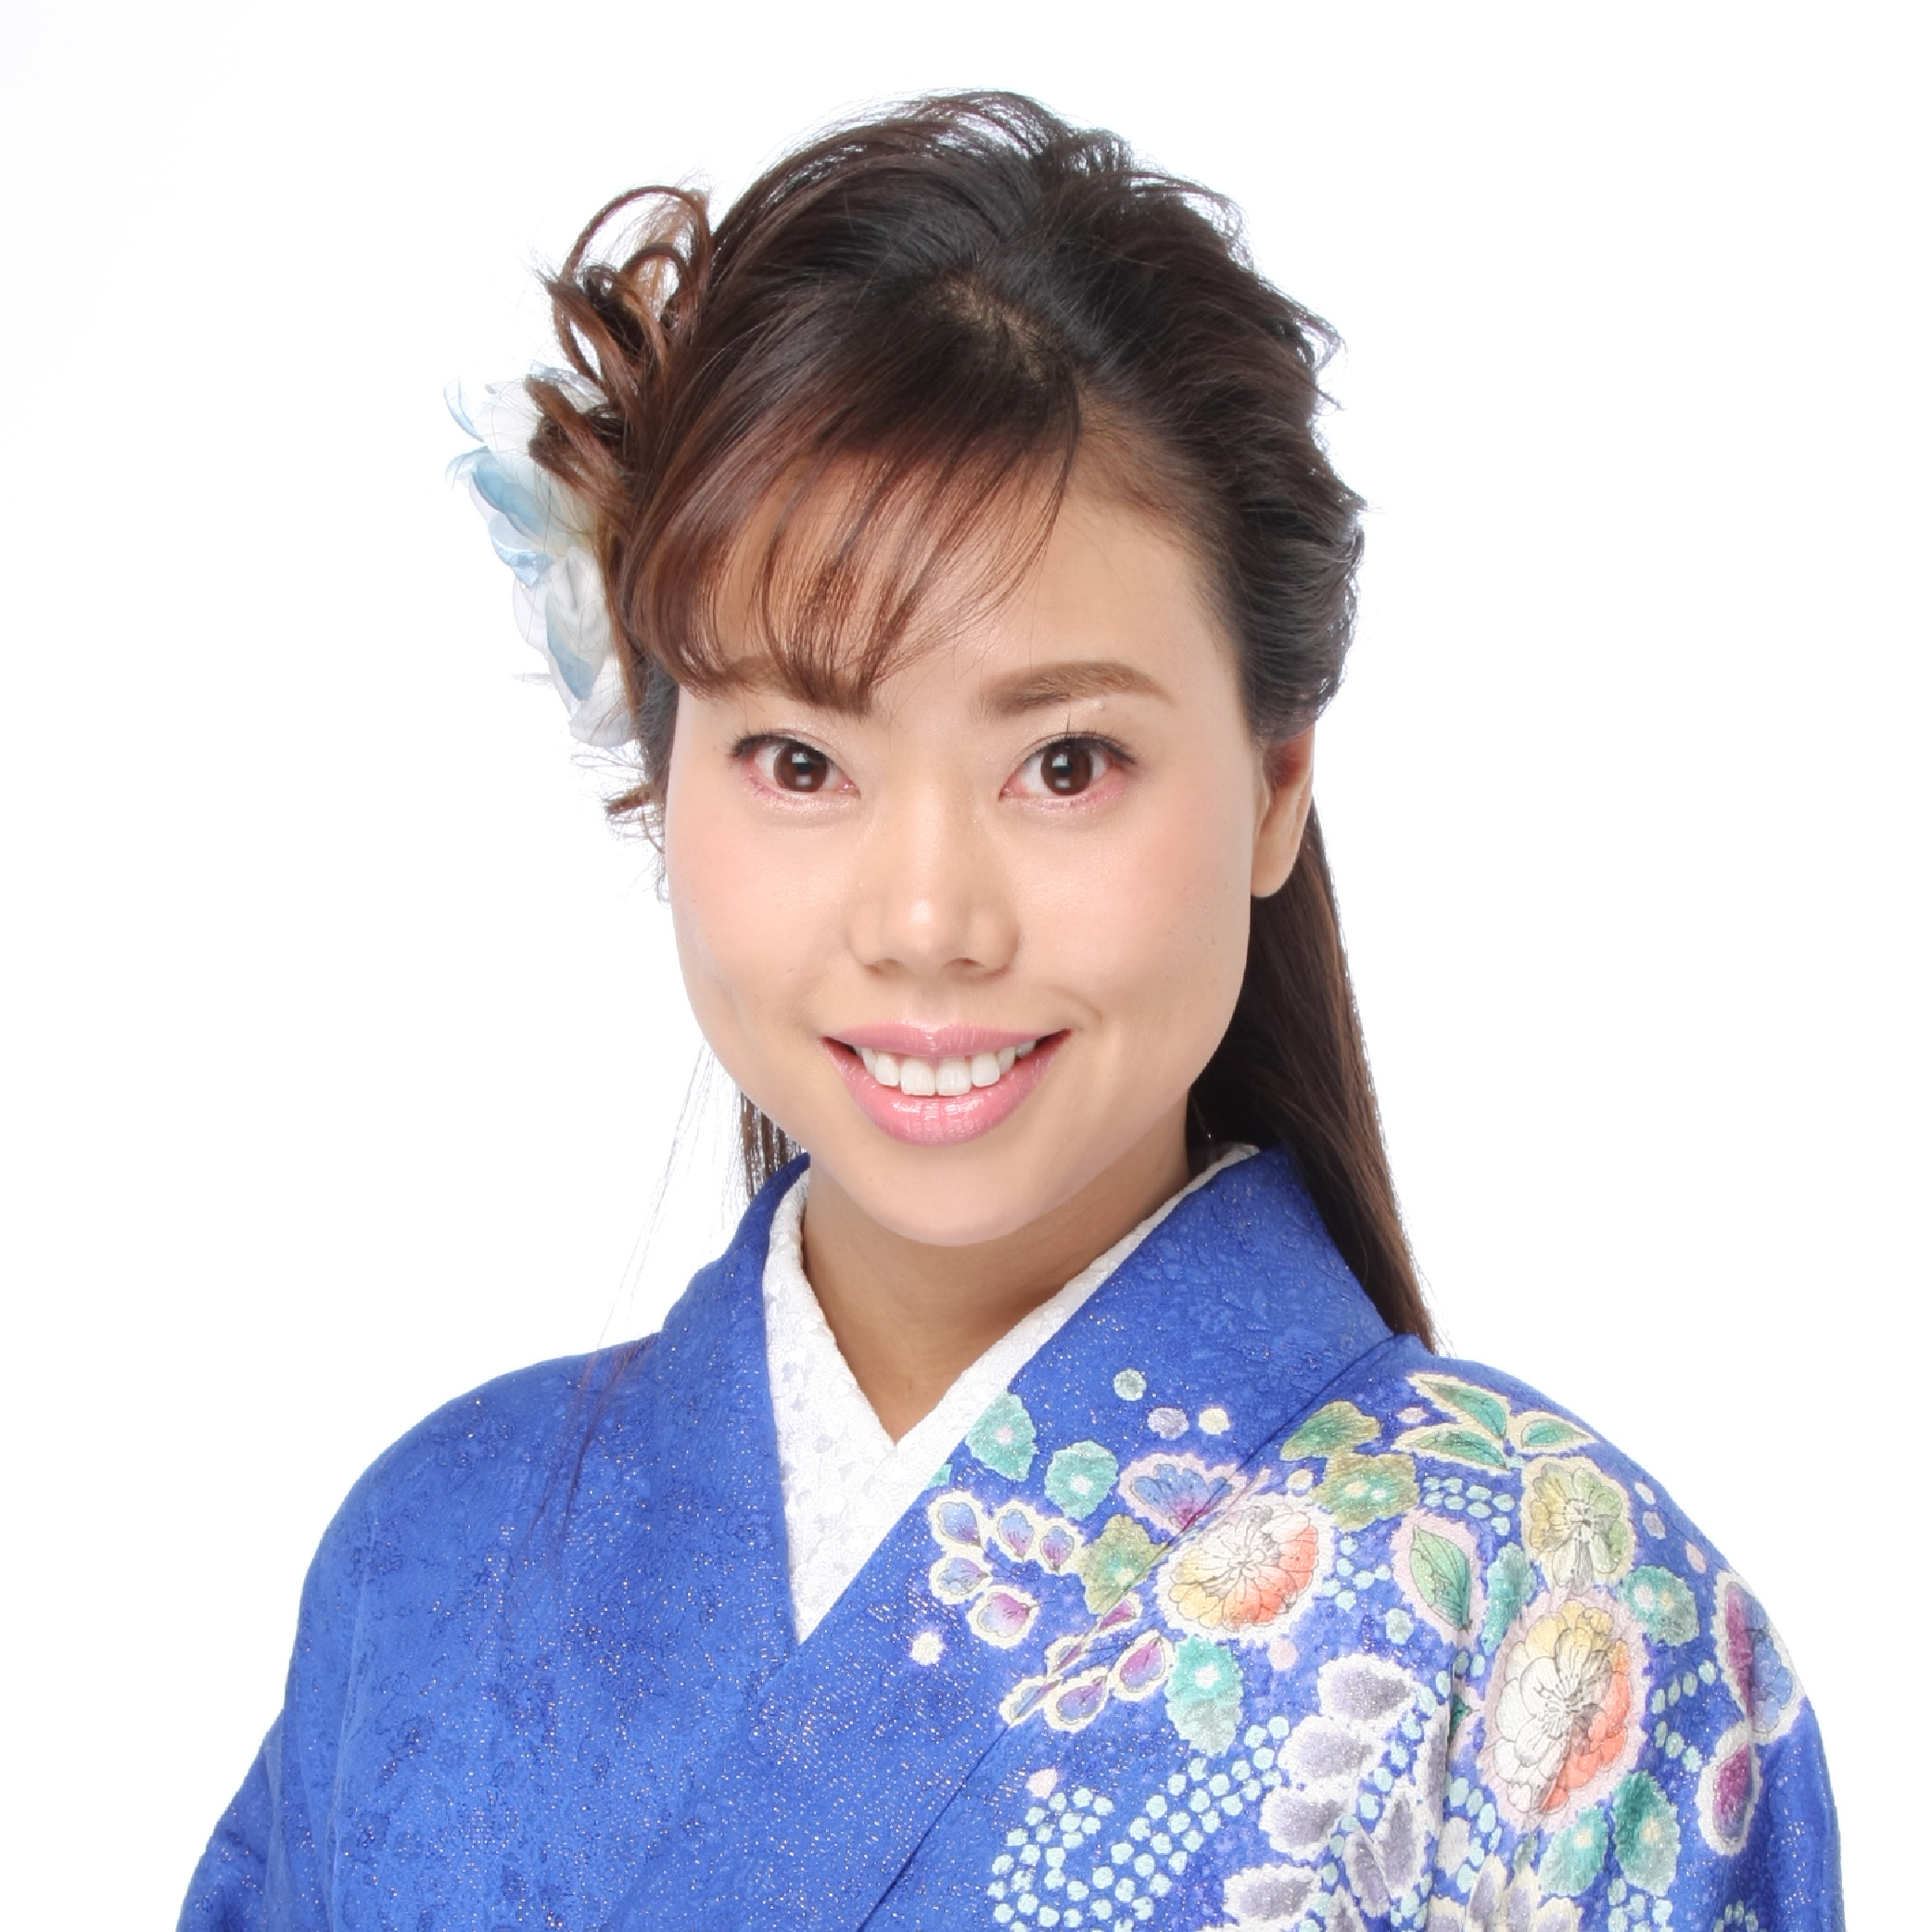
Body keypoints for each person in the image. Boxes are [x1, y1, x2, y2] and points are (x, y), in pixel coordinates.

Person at [179, 93, 1840, 1932]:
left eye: (1065, 762)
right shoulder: (435, 1556)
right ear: (663, 770)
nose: (925, 920)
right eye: (799, 759)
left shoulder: (1559, 1624)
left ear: (1276, 780)